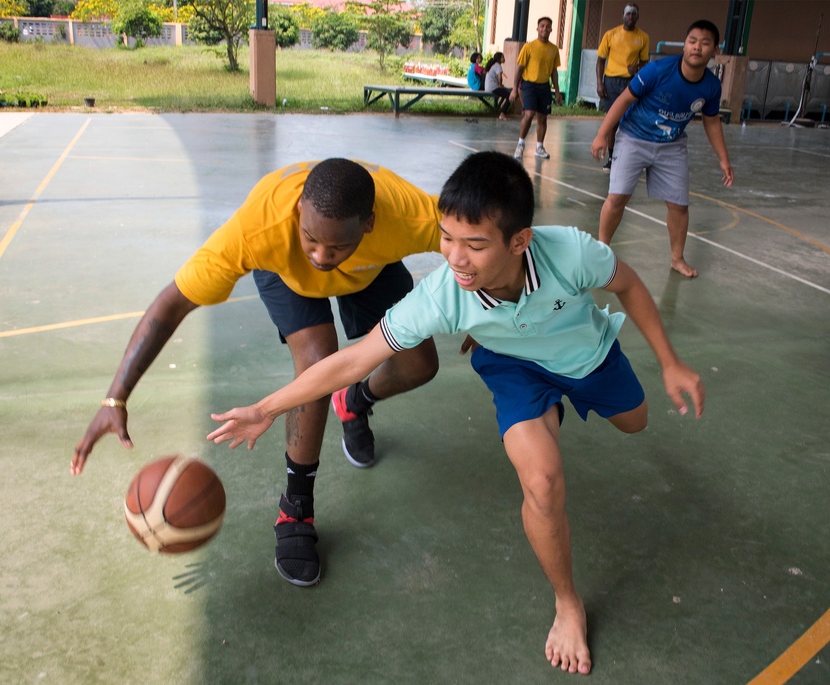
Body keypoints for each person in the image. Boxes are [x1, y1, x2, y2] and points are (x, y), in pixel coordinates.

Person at [208, 151, 705, 675]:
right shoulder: (442, 294)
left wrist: (670, 363)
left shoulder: (572, 253)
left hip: (586, 353)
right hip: (514, 366)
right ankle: (567, 603)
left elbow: (626, 284)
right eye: (447, 237)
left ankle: (550, 409)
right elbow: (354, 357)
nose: (456, 257)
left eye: (474, 245)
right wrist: (266, 407)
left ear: (519, 241)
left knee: (636, 421)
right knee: (541, 480)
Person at [72, 159, 443, 587]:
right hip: (285, 272)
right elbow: (174, 301)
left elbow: (477, 242)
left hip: (371, 271)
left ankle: (355, 401)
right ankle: (296, 506)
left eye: (336, 246)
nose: (321, 257)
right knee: (317, 363)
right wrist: (116, 396)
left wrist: (495, 319)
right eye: (311, 239)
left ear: (370, 223)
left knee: (421, 366)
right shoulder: (259, 229)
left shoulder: (410, 214)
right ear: (300, 209)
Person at [591, 19, 734, 279]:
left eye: (705, 43)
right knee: (618, 197)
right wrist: (602, 134)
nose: (697, 48)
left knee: (679, 205)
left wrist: (723, 159)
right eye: (692, 41)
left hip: (672, 145)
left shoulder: (711, 86)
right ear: (684, 45)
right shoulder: (657, 71)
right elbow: (623, 100)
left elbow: (711, 121)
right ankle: (603, 251)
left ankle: (677, 259)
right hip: (633, 137)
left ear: (715, 50)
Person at [595, 3, 650, 172]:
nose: (631, 16)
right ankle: (612, 158)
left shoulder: (643, 37)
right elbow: (600, 61)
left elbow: (644, 62)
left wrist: (638, 68)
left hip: (631, 82)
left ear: (637, 16)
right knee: (613, 121)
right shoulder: (611, 34)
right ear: (623, 15)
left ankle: (632, 159)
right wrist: (600, 82)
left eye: (634, 14)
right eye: (628, 13)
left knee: (633, 120)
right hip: (612, 81)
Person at [510, 16, 564, 161]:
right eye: (542, 26)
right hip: (529, 85)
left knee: (543, 117)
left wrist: (557, 91)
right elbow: (519, 69)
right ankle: (520, 145)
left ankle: (539, 147)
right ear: (537, 29)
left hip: (544, 86)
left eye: (547, 26)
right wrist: (515, 88)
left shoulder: (553, 50)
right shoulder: (529, 47)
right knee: (529, 114)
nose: (545, 29)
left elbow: (554, 72)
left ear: (551, 29)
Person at [483, 51, 512, 120]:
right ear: (499, 58)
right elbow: (500, 77)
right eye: (503, 57)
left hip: (489, 87)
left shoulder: (494, 65)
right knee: (510, 95)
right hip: (493, 88)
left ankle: (501, 111)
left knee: (509, 91)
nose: (504, 58)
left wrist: (501, 86)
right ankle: (502, 113)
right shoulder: (498, 66)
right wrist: (500, 85)